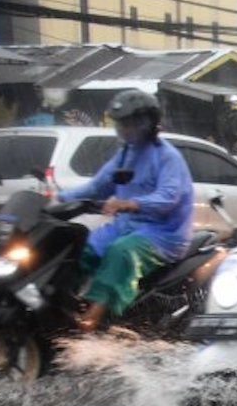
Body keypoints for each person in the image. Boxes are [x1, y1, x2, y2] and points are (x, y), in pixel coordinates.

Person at [58, 89, 193, 332]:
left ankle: (93, 318)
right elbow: (97, 186)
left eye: (130, 122)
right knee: (81, 248)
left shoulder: (167, 157)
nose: (123, 128)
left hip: (163, 233)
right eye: (120, 123)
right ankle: (64, 306)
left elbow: (169, 197)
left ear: (148, 123)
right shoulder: (125, 154)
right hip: (126, 226)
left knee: (120, 253)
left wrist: (131, 203)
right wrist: (58, 199)